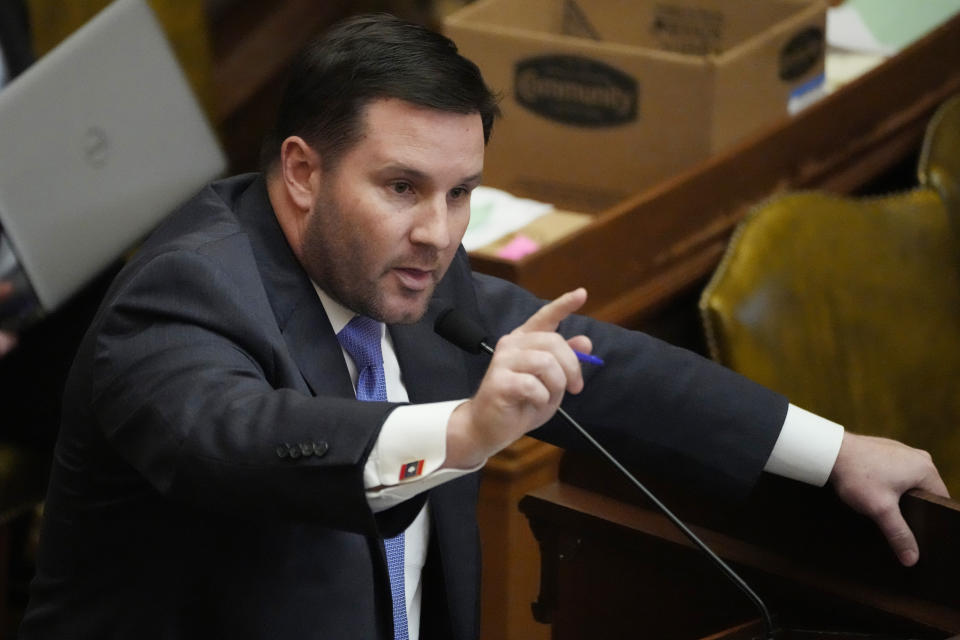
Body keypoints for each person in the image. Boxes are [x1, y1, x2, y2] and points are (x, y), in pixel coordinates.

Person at [20, 13, 947, 640]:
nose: (439, 230)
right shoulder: (181, 295)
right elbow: (246, 443)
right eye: (401, 187)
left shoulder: (413, 268)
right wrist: (464, 432)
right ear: (302, 173)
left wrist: (833, 453)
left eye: (462, 192)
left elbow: (601, 367)